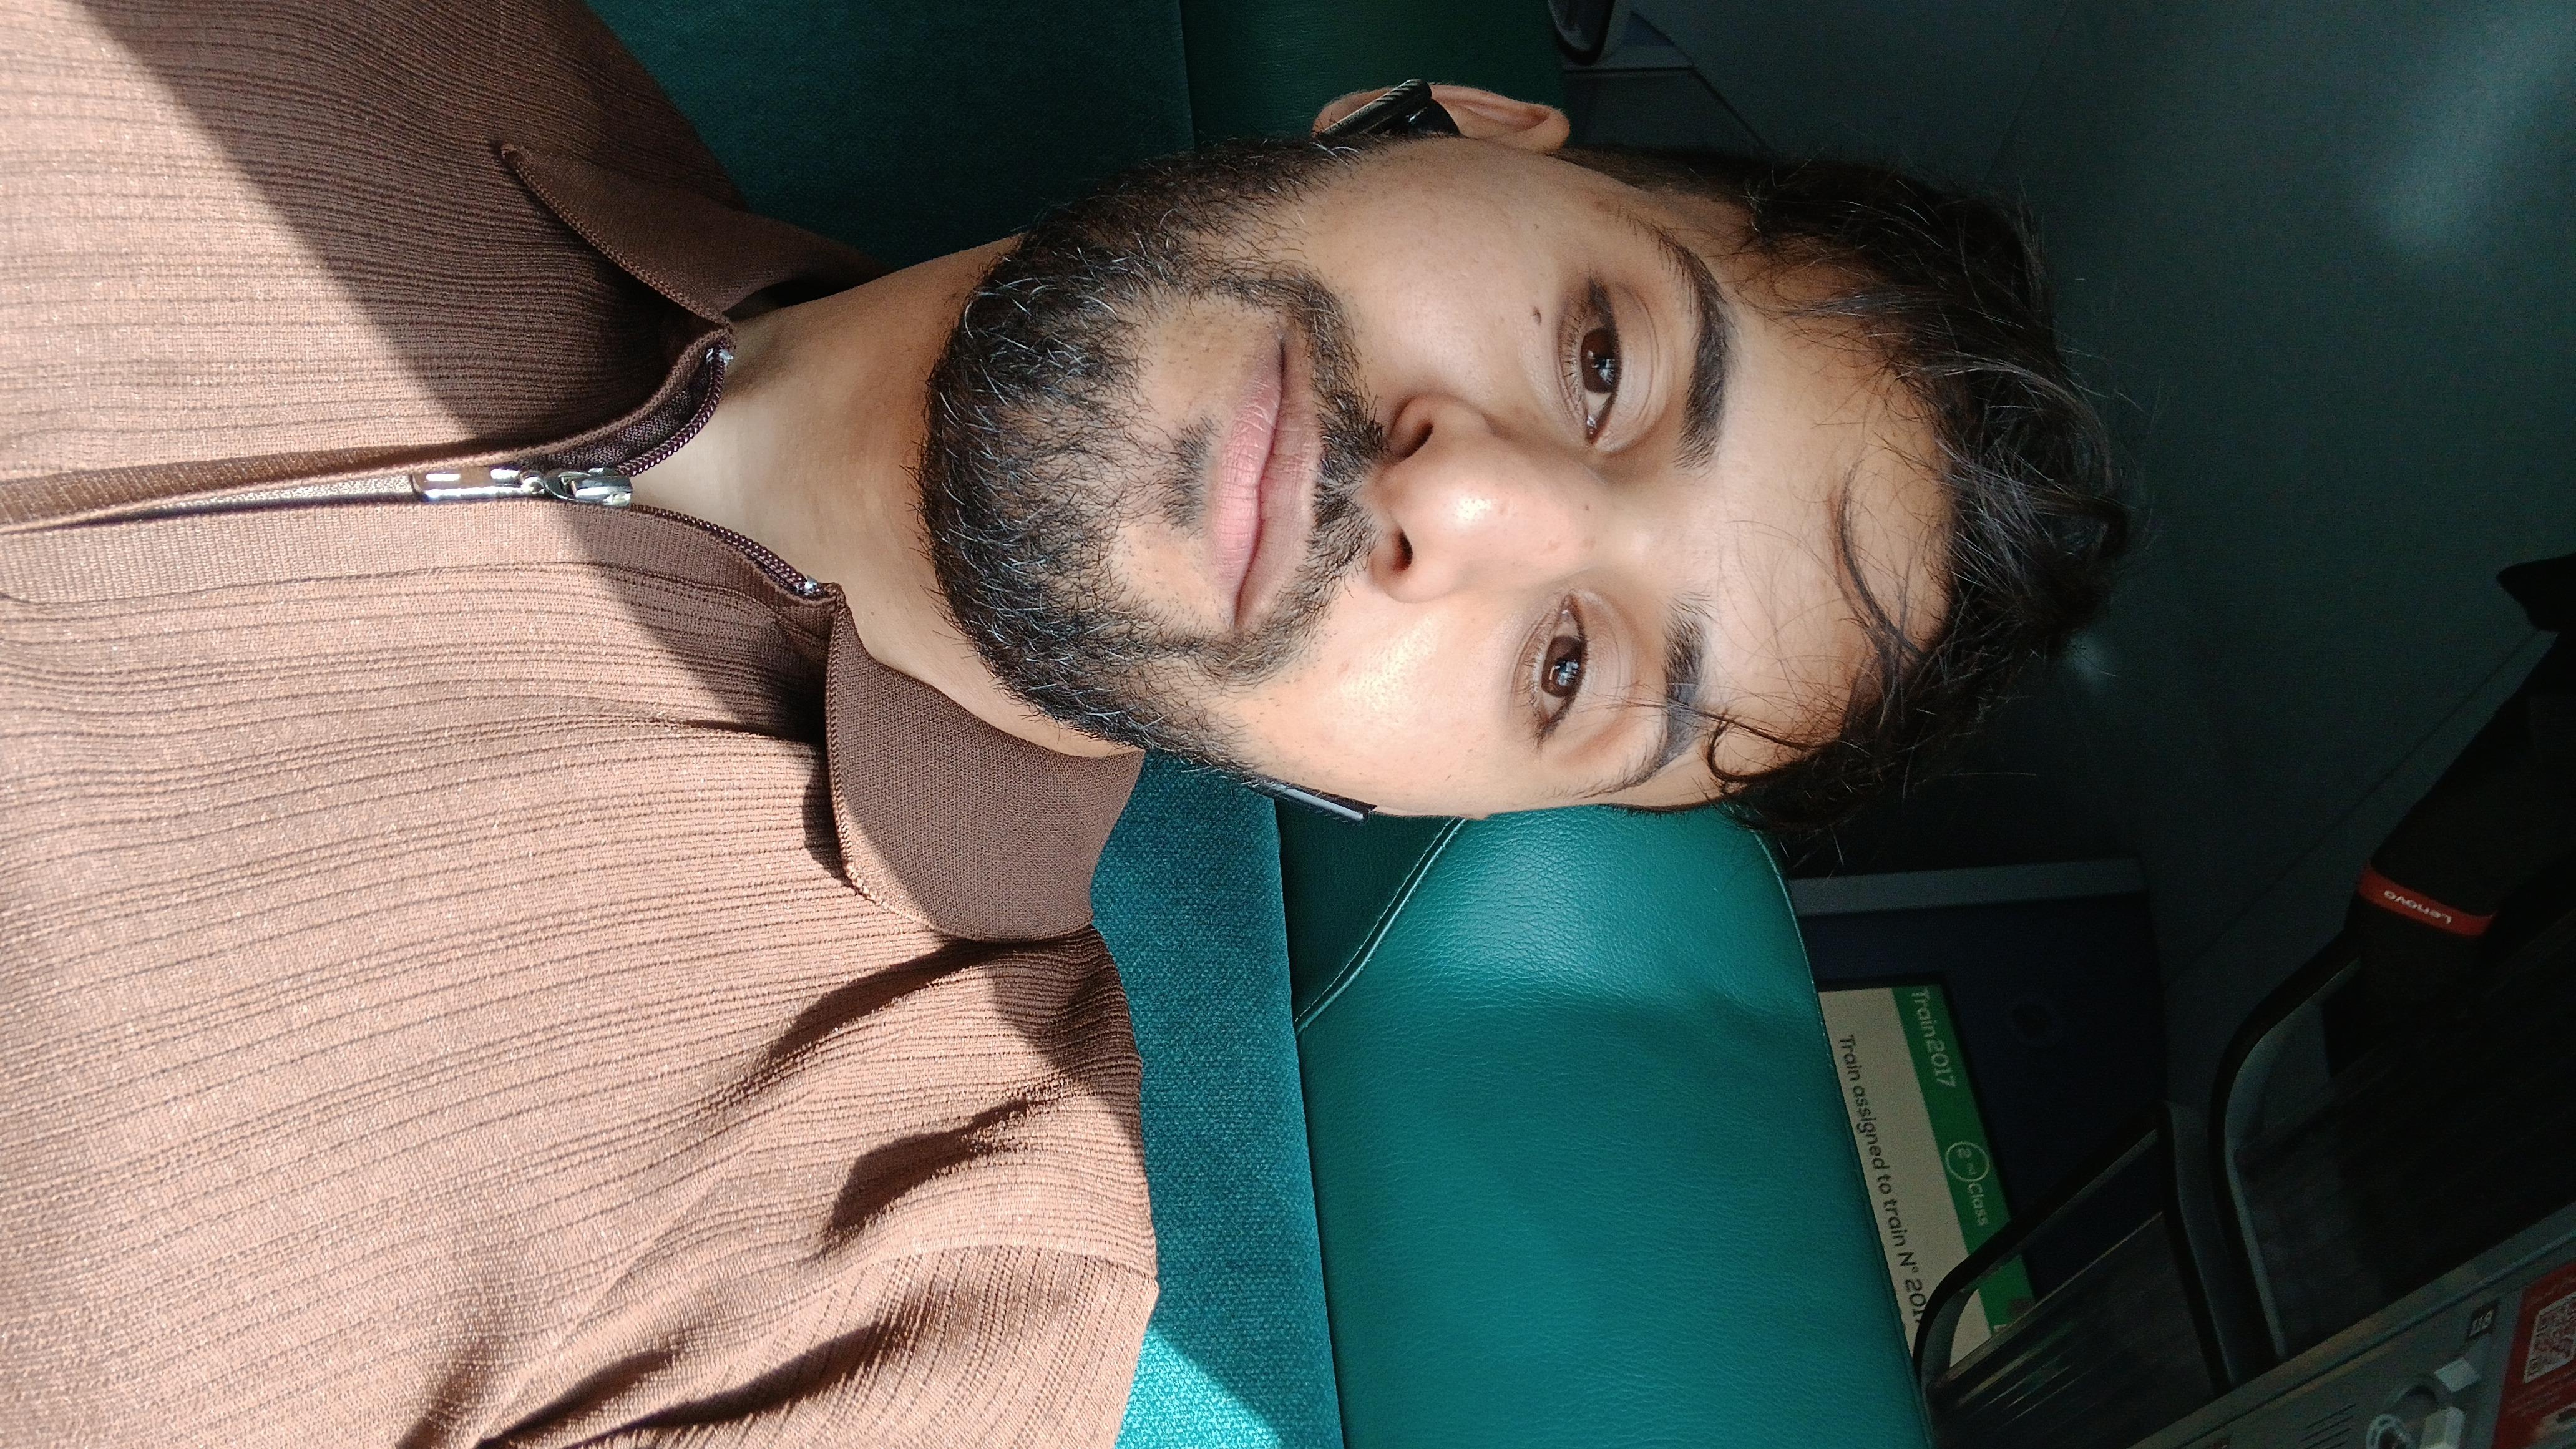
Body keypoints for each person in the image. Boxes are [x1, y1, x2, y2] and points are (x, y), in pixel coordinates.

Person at [0, 0, 2122, 1444]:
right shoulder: (382, 37)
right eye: (1601, 359)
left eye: (1569, 669)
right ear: (1443, 122)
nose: (1463, 503)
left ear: (1400, 794)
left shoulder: (903, 1286)